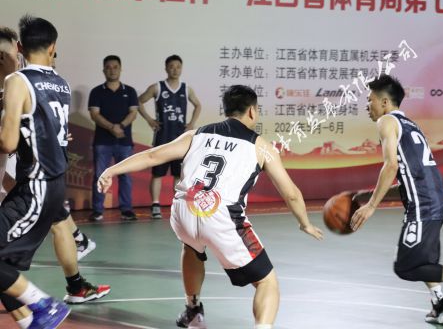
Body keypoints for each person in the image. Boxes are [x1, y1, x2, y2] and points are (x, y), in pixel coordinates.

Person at [98, 85, 323, 329]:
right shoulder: (261, 147)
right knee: (267, 282)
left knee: (192, 247)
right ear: (252, 112)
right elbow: (291, 194)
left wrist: (111, 170)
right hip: (221, 217)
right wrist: (305, 223)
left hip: (183, 211)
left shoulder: (196, 135)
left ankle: (193, 310)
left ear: (226, 110)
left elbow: (153, 156)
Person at [350, 74, 443, 325]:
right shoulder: (409, 124)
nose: (367, 105)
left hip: (424, 204)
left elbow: (391, 165)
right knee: (424, 261)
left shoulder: (386, 121)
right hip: (433, 199)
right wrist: (368, 196)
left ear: (384, 102)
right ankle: (441, 306)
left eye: (370, 99)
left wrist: (371, 206)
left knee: (406, 267)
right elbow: (409, 177)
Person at [0, 17, 73, 328]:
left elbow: (7, 142)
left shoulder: (17, 81)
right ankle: (31, 322)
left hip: (35, 186)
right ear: (53, 47)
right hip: (51, 184)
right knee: (3, 265)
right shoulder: (62, 84)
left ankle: (43, 304)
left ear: (19, 47)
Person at [137, 55, 201, 219]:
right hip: (162, 138)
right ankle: (155, 205)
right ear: (166, 68)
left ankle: (177, 205)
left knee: (178, 174)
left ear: (181, 68)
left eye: (178, 67)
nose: (175, 70)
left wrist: (192, 123)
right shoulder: (157, 87)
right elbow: (139, 101)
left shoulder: (186, 89)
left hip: (180, 138)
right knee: (157, 173)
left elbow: (198, 105)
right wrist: (149, 120)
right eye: (171, 66)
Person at [88, 55, 139, 221]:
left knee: (125, 176)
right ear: (103, 70)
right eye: (108, 67)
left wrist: (121, 126)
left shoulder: (130, 91)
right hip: (102, 142)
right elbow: (94, 114)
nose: (112, 70)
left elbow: (133, 113)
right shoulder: (96, 91)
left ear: (120, 69)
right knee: (100, 176)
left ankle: (126, 209)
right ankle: (97, 210)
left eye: (115, 67)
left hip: (124, 142)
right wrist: (112, 127)